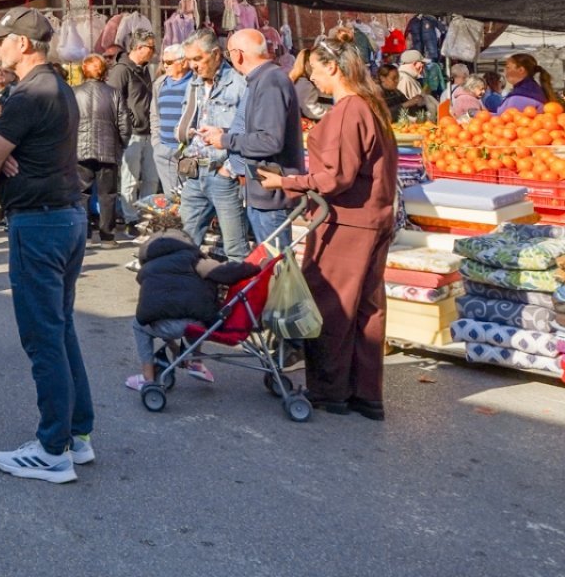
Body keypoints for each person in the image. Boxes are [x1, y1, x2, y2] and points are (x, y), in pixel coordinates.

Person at [0, 6, 93, 485]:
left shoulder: (29, 93)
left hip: (40, 223)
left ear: (23, 45)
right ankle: (76, 435)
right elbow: (5, 154)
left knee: (43, 334)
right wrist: (8, 155)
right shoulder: (59, 86)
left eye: (3, 39)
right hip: (65, 216)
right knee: (60, 328)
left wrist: (0, 156)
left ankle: (52, 449)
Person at [258, 28, 398, 420]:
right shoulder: (370, 106)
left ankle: (330, 389)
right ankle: (365, 393)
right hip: (372, 216)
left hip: (347, 220)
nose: (312, 79)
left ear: (333, 68)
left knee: (332, 305)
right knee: (367, 309)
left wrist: (285, 181)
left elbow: (336, 176)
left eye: (315, 72)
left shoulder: (350, 109)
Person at [198, 29, 304, 251]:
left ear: (237, 54)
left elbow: (270, 140)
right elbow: (259, 129)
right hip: (262, 191)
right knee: (270, 262)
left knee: (278, 267)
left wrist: (226, 140)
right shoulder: (262, 80)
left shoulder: (270, 81)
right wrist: (223, 132)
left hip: (271, 194)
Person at [124, 227, 259, 392]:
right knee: (193, 312)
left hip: (163, 325)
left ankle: (148, 377)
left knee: (142, 323)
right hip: (196, 325)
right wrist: (256, 267)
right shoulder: (194, 260)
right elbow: (226, 272)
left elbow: (154, 306)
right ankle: (195, 361)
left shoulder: (146, 269)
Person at [175, 29, 251, 260]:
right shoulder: (194, 85)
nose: (193, 66)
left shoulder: (239, 84)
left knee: (235, 248)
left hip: (222, 176)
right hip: (195, 173)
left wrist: (229, 168)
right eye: (188, 60)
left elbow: (248, 130)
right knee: (185, 243)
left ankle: (238, 295)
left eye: (198, 59)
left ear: (216, 54)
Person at [73, 54, 126, 245]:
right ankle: (107, 236)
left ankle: (84, 235)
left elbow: (67, 121)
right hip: (107, 149)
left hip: (80, 148)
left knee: (81, 194)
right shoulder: (114, 93)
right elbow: (124, 124)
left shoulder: (74, 92)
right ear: (104, 70)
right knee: (108, 194)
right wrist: (121, 144)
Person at [112, 31, 159, 219]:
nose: (154, 52)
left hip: (149, 131)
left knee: (151, 178)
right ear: (138, 48)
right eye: (151, 47)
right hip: (132, 134)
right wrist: (128, 123)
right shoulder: (121, 70)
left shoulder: (145, 68)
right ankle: (131, 218)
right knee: (130, 179)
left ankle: (147, 217)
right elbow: (114, 101)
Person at [152, 46, 191, 204]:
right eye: (163, 62)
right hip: (163, 149)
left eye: (169, 62)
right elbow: (154, 114)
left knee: (189, 198)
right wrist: (156, 143)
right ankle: (176, 227)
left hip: (186, 150)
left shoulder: (194, 83)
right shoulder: (159, 84)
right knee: (172, 198)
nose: (165, 65)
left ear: (182, 63)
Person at [395, 51, 437, 121]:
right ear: (414, 63)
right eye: (422, 63)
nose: (424, 66)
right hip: (412, 124)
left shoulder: (409, 77)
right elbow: (406, 106)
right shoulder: (404, 79)